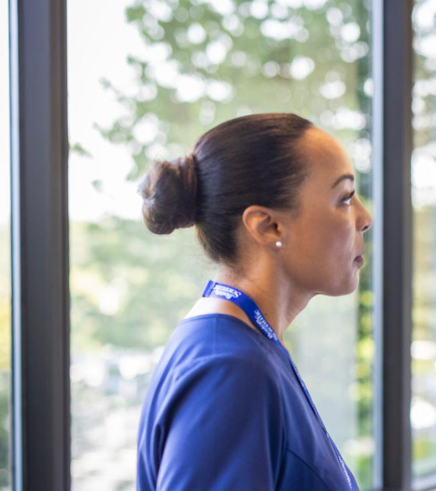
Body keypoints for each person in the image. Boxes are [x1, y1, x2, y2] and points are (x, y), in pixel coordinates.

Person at [135, 113, 371, 491]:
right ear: (267, 226)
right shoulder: (228, 370)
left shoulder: (240, 345)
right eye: (344, 198)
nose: (365, 217)